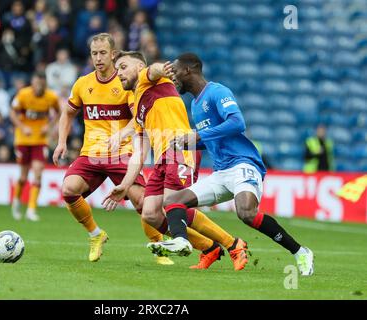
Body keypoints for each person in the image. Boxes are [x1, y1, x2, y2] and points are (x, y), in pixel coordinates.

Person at [155, 53, 314, 276]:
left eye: (177, 73)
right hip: (221, 172)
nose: (174, 79)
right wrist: (188, 144)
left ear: (189, 70)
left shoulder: (216, 92)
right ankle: (181, 241)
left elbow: (237, 123)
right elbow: (212, 139)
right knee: (173, 201)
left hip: (242, 164)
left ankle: (300, 252)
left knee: (246, 213)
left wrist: (198, 135)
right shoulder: (196, 105)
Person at [102, 51, 249, 271]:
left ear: (139, 66)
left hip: (180, 150)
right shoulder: (139, 106)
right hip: (163, 157)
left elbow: (154, 70)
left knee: (174, 204)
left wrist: (164, 68)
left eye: (123, 67)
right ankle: (210, 248)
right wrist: (124, 185)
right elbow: (140, 152)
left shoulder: (147, 79)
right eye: (117, 69)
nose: (118, 73)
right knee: (150, 213)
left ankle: (233, 244)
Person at [52, 33, 173, 265]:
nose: (98, 58)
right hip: (92, 153)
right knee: (68, 189)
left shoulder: (125, 83)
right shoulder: (82, 84)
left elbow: (137, 116)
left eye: (103, 53)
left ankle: (158, 245)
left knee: (141, 201)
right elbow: (67, 113)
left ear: (113, 54)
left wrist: (123, 133)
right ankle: (95, 235)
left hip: (122, 153)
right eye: (94, 53)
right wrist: (61, 142)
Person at [10, 71, 60, 221]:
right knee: (23, 177)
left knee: (38, 173)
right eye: (36, 83)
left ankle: (31, 209)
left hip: (40, 140)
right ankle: (17, 201)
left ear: (44, 84)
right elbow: (12, 112)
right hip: (23, 139)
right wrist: (22, 126)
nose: (38, 86)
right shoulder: (23, 94)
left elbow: (59, 112)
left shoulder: (51, 97)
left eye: (41, 84)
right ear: (32, 82)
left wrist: (50, 126)